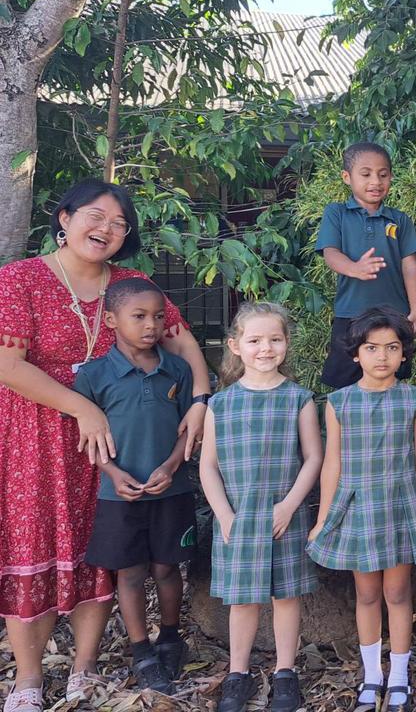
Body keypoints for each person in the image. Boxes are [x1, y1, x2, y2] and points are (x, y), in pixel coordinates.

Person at [0, 179, 211, 712]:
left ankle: (84, 668)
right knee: (35, 548)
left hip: (120, 445)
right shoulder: (19, 280)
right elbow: (7, 365)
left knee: (101, 557)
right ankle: (28, 679)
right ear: (64, 218)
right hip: (40, 442)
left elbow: (182, 342)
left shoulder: (133, 284)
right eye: (96, 216)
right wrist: (83, 408)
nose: (107, 230)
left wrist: (200, 400)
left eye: (120, 224)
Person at [307, 307, 416, 712]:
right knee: (367, 595)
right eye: (371, 348)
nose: (381, 356)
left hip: (399, 507)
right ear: (355, 354)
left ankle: (399, 677)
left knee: (398, 592)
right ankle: (372, 676)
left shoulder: (415, 398)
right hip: (357, 508)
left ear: (404, 354)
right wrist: (322, 519)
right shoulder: (338, 402)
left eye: (391, 348)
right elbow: (332, 463)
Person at [72, 278, 195, 695]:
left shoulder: (177, 369)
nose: (151, 325)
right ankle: (141, 649)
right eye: (139, 316)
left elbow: (188, 428)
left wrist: (174, 462)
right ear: (111, 320)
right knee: (130, 572)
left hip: (171, 488)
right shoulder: (93, 375)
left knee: (166, 567)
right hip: (119, 493)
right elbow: (88, 436)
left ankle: (171, 637)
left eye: (158, 317)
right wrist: (112, 472)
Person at [199, 302, 322, 712]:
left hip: (283, 516)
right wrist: (225, 516)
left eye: (274, 339)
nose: (265, 348)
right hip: (236, 518)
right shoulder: (220, 404)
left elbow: (314, 459)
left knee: (286, 597)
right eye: (254, 340)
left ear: (286, 343)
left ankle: (286, 673)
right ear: (235, 345)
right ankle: (238, 673)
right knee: (242, 599)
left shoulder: (299, 399)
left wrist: (289, 505)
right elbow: (208, 466)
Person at [316, 142, 416, 389]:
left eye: (383, 174)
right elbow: (330, 253)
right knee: (344, 382)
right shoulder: (336, 213)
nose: (375, 181)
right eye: (365, 174)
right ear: (347, 177)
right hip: (350, 314)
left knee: (392, 381)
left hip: (394, 315)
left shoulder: (400, 219)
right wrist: (354, 268)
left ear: (390, 177)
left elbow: (411, 266)